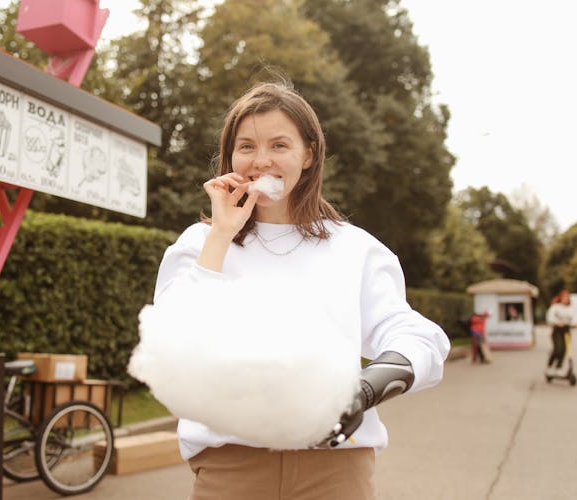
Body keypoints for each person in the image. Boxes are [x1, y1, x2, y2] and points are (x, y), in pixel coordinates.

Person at [131, 80, 450, 500]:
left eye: (279, 145)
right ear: (229, 157)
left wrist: (366, 388)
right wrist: (221, 235)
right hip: (230, 467)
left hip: (335, 471)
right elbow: (166, 344)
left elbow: (418, 337)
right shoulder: (199, 243)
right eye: (246, 147)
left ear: (309, 154)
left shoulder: (354, 248)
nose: (261, 160)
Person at [545, 290, 574, 375]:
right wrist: (557, 322)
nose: (566, 299)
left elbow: (574, 318)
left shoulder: (570, 308)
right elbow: (550, 317)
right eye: (564, 297)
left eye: (567, 298)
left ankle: (558, 367)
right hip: (557, 330)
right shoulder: (556, 307)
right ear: (561, 298)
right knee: (558, 349)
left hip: (566, 330)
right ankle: (549, 365)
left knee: (565, 350)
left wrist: (575, 324)